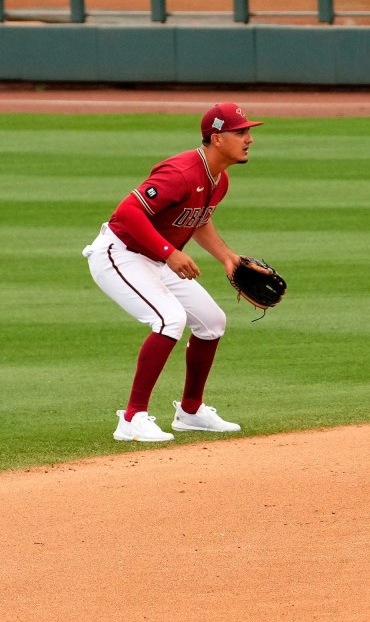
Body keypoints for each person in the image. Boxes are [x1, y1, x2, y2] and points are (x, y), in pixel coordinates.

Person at [82, 102, 261, 442]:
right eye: (241, 132)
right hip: (119, 254)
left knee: (212, 321)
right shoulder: (180, 172)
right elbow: (128, 211)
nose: (249, 138)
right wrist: (170, 252)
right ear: (217, 138)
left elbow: (197, 219)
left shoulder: (218, 180)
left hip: (154, 258)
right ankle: (133, 418)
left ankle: (190, 412)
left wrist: (227, 257)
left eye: (249, 131)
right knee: (169, 319)